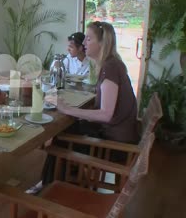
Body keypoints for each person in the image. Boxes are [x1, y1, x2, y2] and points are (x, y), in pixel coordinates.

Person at [29, 22, 139, 193]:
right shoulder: (112, 64)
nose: (85, 43)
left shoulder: (110, 68)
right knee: (69, 129)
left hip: (116, 145)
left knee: (62, 137)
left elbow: (106, 114)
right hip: (117, 134)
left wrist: (68, 109)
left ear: (102, 43)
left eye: (89, 39)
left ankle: (49, 186)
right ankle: (60, 181)